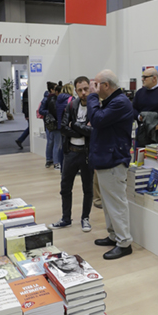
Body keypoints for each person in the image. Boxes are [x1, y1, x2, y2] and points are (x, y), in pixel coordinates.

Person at [87, 70, 135, 260]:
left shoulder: (120, 102)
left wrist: (91, 96)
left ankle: (124, 243)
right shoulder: (112, 101)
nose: (94, 88)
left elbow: (96, 119)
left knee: (116, 203)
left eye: (96, 84)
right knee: (108, 203)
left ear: (106, 86)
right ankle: (115, 235)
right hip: (106, 158)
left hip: (113, 160)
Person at [53, 76, 93, 232]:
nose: (83, 92)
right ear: (75, 91)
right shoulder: (71, 106)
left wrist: (74, 126)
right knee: (65, 187)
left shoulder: (95, 107)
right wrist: (82, 131)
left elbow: (93, 132)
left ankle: (85, 218)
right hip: (71, 152)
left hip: (87, 154)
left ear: (90, 88)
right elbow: (63, 128)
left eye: (86, 89)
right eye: (80, 90)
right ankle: (66, 218)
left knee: (87, 188)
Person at [39, 82, 61, 169]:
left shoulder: (53, 98)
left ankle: (51, 160)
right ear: (51, 90)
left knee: (52, 142)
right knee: (51, 142)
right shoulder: (47, 99)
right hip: (50, 123)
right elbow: (41, 111)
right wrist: (50, 113)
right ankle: (50, 160)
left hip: (51, 122)